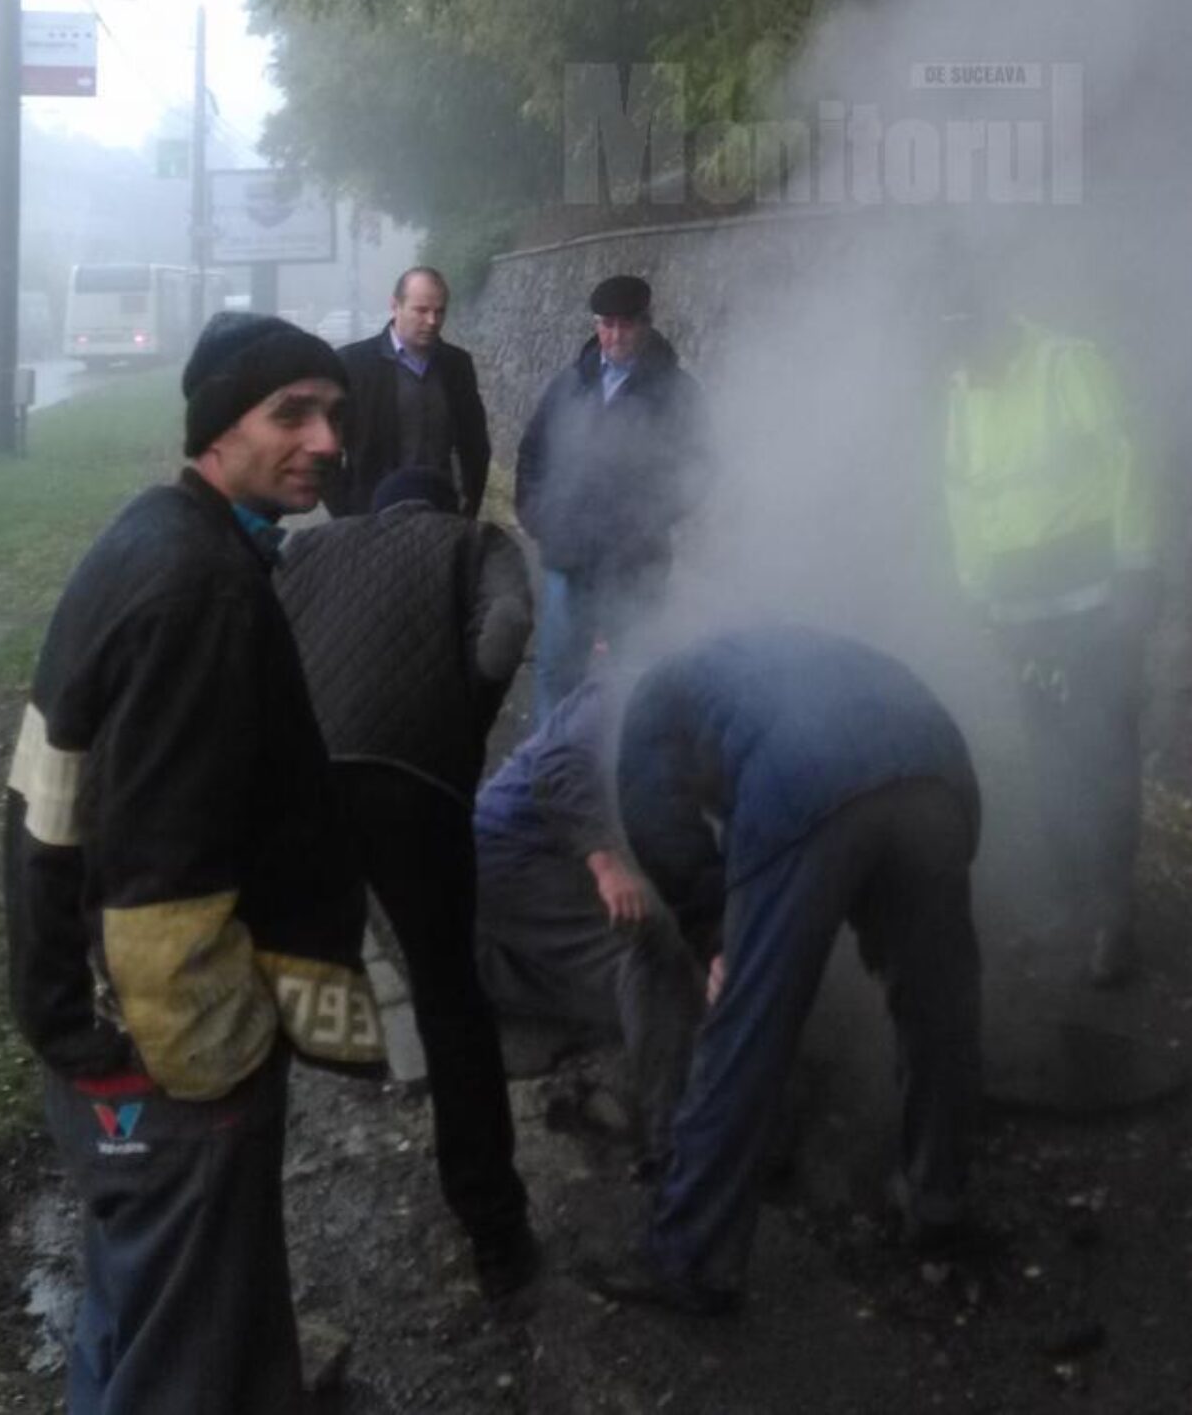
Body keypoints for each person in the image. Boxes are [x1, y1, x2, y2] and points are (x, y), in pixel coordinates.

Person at [4, 313, 385, 1415]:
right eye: (291, 414)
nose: (327, 441)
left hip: (88, 1020)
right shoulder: (202, 588)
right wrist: (217, 1069)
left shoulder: (157, 533)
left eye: (334, 414)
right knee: (183, 1351)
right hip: (163, 1057)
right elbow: (159, 884)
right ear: (217, 428)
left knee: (139, 1310)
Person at [582, 624, 983, 1314]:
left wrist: (716, 936)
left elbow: (659, 827)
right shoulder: (769, 655)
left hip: (808, 778)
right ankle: (936, 1200)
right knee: (938, 1000)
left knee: (747, 1027)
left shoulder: (653, 695)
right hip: (939, 769)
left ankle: (689, 1258)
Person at [274, 465, 541, 1298]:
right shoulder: (477, 540)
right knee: (449, 996)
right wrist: (464, 713)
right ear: (443, 507)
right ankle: (495, 1232)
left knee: (269, 976)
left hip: (302, 782)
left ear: (378, 512)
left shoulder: (309, 547)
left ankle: (248, 1236)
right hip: (414, 788)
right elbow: (505, 628)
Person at [942, 287, 1156, 986]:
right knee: (1052, 760)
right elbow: (962, 496)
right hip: (1021, 615)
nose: (964, 368)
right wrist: (977, 597)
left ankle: (1114, 917)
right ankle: (1073, 903)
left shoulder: (1067, 364)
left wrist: (1135, 571)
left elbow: (1129, 458)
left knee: (1104, 757)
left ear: (995, 328)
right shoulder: (963, 386)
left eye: (969, 351)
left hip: (1094, 610)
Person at [472, 672, 705, 1174]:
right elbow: (558, 767)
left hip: (541, 864)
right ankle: (675, 1145)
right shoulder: (632, 687)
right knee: (648, 949)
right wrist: (609, 866)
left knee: (655, 983)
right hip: (511, 853)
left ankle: (492, 974)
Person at [514, 274, 709, 716]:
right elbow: (532, 453)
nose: (615, 336)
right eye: (606, 324)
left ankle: (622, 754)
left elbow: (701, 466)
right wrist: (540, 518)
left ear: (646, 324)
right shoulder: (569, 384)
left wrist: (649, 518)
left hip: (636, 562)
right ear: (596, 324)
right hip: (568, 555)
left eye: (626, 325)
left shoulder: (678, 392)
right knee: (557, 672)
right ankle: (549, 754)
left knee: (634, 675)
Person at [336, 268, 491, 517]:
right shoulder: (353, 364)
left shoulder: (457, 365)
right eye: (421, 310)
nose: (432, 321)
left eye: (439, 311)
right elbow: (329, 448)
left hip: (441, 515)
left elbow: (475, 445)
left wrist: (469, 506)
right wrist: (346, 513)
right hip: (372, 518)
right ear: (395, 306)